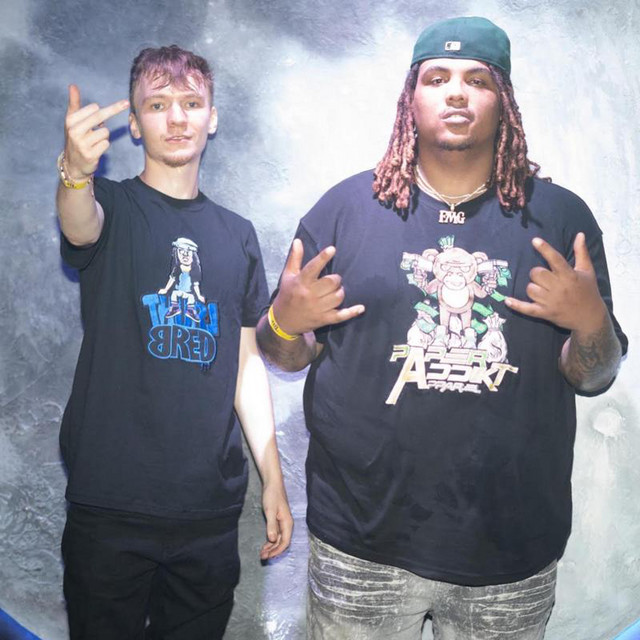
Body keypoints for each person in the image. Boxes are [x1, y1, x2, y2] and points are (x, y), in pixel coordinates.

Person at [256, 16, 627, 640]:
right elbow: (282, 354)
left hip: (510, 550)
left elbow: (594, 376)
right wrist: (282, 324)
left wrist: (592, 322)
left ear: (503, 102)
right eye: (437, 78)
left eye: (477, 80)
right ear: (412, 97)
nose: (456, 92)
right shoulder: (346, 210)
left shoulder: (560, 219)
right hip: (360, 542)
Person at [57, 45, 293, 639]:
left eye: (191, 102)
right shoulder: (112, 205)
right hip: (110, 503)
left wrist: (273, 477)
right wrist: (76, 172)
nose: (177, 117)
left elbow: (245, 364)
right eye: (157, 104)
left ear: (212, 117)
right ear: (135, 124)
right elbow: (79, 223)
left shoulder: (237, 236)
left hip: (207, 512)